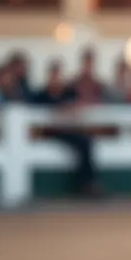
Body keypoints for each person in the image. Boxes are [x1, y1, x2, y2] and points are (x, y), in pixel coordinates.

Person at [31, 60, 102, 197]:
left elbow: (79, 106)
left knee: (86, 143)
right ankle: (86, 184)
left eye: (58, 75)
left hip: (69, 131)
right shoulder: (40, 95)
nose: (56, 79)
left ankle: (88, 183)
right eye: (54, 75)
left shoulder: (68, 93)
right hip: (50, 133)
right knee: (82, 143)